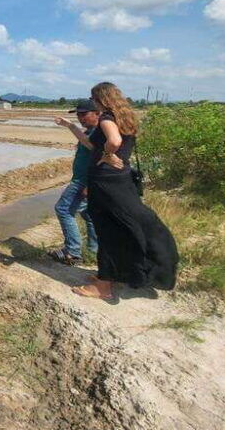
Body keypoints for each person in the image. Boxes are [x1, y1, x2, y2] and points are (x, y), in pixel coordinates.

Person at [73, 82, 179, 300]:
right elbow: (92, 144)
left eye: (93, 98)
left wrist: (107, 154)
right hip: (120, 181)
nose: (92, 101)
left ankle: (103, 287)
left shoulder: (106, 118)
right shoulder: (125, 118)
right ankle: (111, 274)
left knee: (107, 229)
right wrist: (70, 126)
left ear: (101, 98)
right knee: (120, 226)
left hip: (105, 182)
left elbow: (114, 141)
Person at [48, 99, 100, 265]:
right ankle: (94, 251)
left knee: (62, 209)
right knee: (88, 215)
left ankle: (73, 251)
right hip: (84, 180)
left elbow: (97, 155)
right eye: (78, 114)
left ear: (97, 113)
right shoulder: (91, 130)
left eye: (84, 114)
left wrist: (89, 184)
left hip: (83, 181)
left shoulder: (98, 132)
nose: (80, 117)